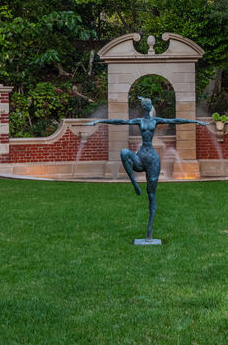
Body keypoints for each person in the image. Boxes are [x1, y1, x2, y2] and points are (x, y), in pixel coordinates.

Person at [88, 97, 208, 240]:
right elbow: (120, 121)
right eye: (147, 104)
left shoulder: (155, 120)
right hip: (140, 157)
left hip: (152, 158)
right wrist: (99, 121)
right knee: (124, 153)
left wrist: (196, 121)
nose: (149, 106)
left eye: (149, 104)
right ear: (145, 106)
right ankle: (134, 183)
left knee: (151, 195)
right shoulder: (139, 121)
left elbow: (175, 121)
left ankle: (149, 231)